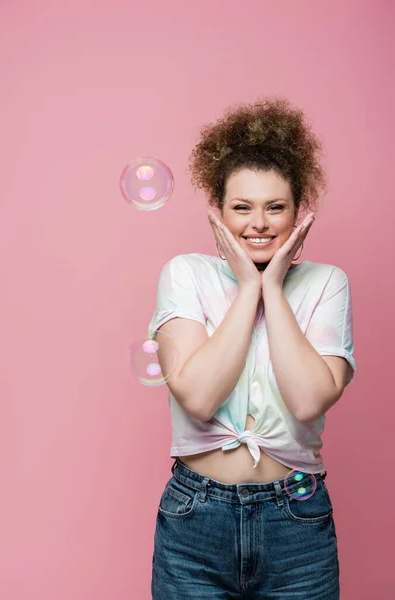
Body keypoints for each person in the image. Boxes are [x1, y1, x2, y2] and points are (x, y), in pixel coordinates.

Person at [148, 97, 356, 599]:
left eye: (275, 207)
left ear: (297, 213)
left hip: (297, 523)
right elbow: (197, 399)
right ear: (217, 212)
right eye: (241, 207)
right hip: (195, 519)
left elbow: (308, 400)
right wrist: (247, 287)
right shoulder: (186, 274)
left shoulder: (328, 282)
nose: (258, 224)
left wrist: (273, 286)